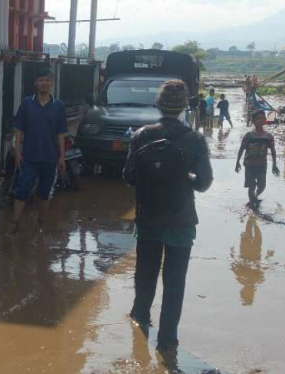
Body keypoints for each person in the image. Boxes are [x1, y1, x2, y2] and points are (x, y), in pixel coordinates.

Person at [123, 80, 213, 353]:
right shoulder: (195, 139)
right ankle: (168, 341)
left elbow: (128, 177)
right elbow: (205, 182)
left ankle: (140, 321)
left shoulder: (141, 135)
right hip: (182, 221)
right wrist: (185, 176)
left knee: (145, 274)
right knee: (175, 282)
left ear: (158, 104)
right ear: (186, 105)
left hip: (148, 219)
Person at [10, 68, 67, 234]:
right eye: (41, 80)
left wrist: (62, 156)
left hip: (50, 157)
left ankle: (40, 224)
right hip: (29, 156)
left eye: (47, 80)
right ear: (36, 83)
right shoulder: (27, 103)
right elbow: (18, 129)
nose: (44, 83)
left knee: (44, 193)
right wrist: (17, 151)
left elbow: (60, 133)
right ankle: (15, 225)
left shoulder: (58, 106)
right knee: (22, 191)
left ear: (52, 83)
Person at [235, 110, 280, 209]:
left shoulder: (268, 136)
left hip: (262, 165)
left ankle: (254, 198)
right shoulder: (248, 135)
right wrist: (237, 162)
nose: (261, 120)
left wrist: (274, 165)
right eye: (258, 118)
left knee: (262, 186)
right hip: (249, 165)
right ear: (253, 121)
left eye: (263, 118)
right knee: (251, 186)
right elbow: (242, 148)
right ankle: (252, 205)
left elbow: (273, 151)